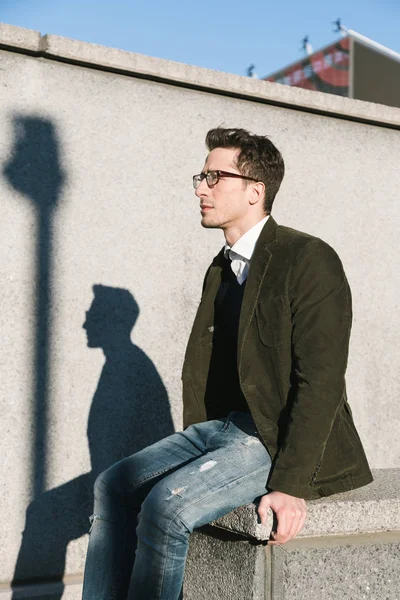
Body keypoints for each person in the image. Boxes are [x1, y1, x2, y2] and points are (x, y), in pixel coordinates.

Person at [81, 127, 373, 600]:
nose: (201, 188)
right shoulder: (222, 267)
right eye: (201, 176)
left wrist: (290, 485)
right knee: (112, 485)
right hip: (224, 429)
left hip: (272, 435)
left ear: (256, 190)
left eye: (215, 177)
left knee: (167, 507)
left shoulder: (307, 258)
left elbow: (320, 380)